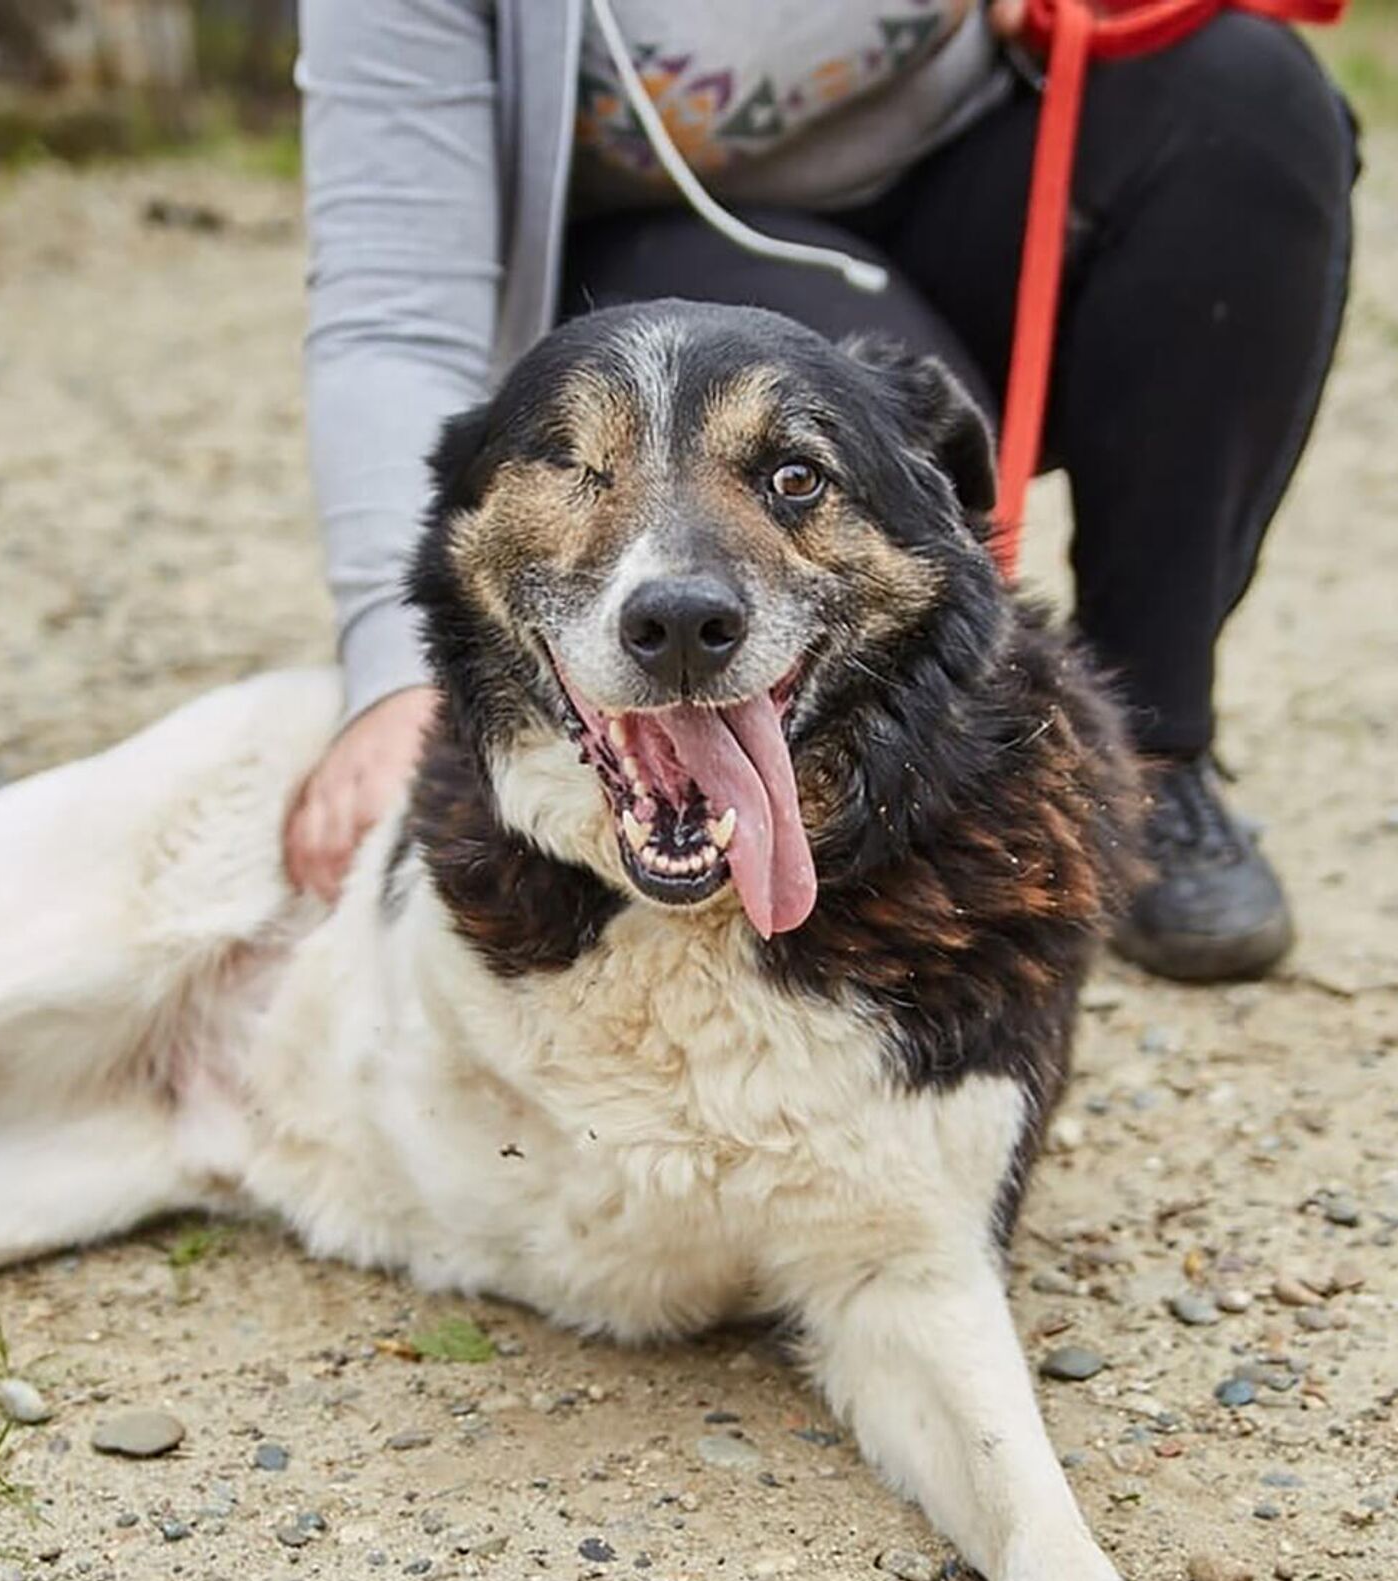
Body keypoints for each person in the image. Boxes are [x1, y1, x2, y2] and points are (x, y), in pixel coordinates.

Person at [287, 0, 1357, 982]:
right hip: (669, 260)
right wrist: (395, 681)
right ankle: (760, 790)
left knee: (1246, 106)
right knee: (825, 415)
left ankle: (1154, 756)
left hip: (972, 166)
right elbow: (395, 317)